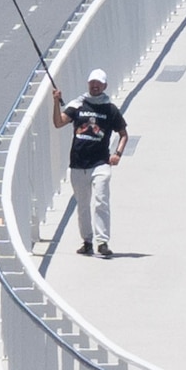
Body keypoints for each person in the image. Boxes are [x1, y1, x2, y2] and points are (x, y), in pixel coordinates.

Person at [44, 70, 130, 258]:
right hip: (78, 164)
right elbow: (59, 123)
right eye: (92, 83)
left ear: (105, 86)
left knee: (101, 200)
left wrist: (117, 154)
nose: (95, 86)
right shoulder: (78, 104)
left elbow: (123, 134)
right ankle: (87, 241)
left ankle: (103, 242)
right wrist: (56, 102)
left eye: (98, 83)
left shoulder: (110, 109)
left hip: (100, 163)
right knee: (82, 204)